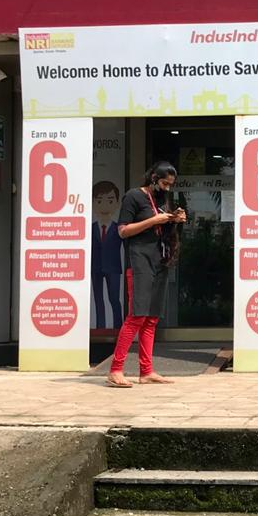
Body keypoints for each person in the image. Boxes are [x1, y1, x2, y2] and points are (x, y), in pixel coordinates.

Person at [106, 162, 187, 388]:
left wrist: (175, 220)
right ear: (153, 178)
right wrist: (153, 220)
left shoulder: (163, 200)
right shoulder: (133, 196)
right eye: (164, 183)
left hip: (160, 259)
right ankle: (115, 370)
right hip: (139, 261)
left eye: (170, 185)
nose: (167, 188)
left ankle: (147, 371)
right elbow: (123, 231)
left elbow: (163, 229)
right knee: (137, 316)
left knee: (151, 318)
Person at [90, 180, 123, 330]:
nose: (104, 205)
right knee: (98, 299)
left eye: (110, 201)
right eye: (99, 201)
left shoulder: (119, 229)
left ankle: (118, 328)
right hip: (95, 267)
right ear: (93, 203)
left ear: (116, 204)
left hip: (113, 267)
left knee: (114, 299)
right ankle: (100, 328)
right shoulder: (90, 229)